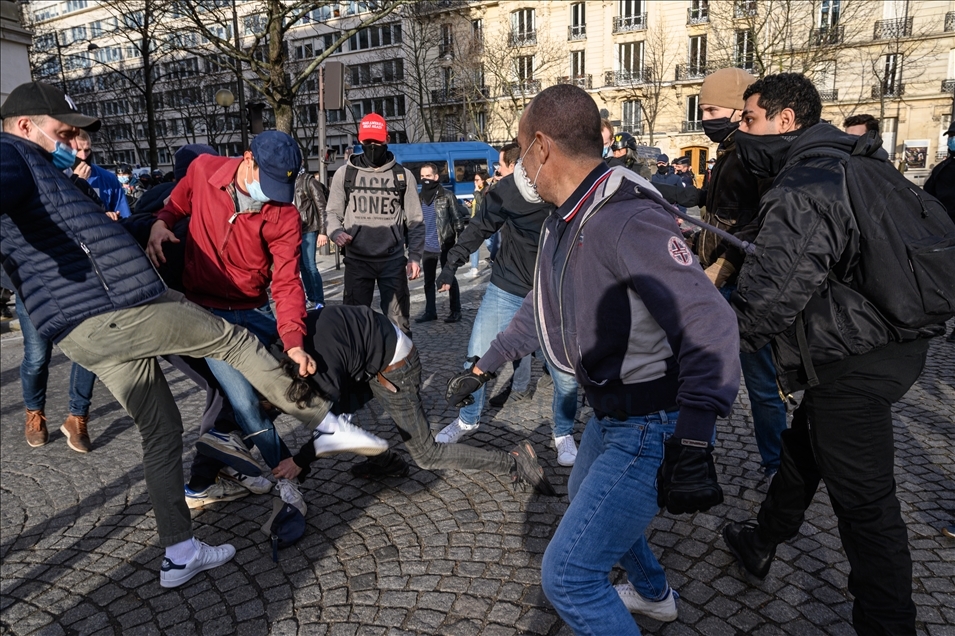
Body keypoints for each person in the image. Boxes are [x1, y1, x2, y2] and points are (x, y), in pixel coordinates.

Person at [1, 80, 344, 588]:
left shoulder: (54, 174)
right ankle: (330, 425)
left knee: (162, 430)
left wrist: (152, 225)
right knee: (233, 345)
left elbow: (286, 278)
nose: (74, 142)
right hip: (118, 310)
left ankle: (180, 551)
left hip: (98, 326)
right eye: (65, 131)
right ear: (27, 126)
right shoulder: (12, 154)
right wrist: (164, 219)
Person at [448, 84, 739, 634]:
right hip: (611, 414)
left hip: (651, 422)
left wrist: (696, 438)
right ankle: (655, 594)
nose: (517, 170)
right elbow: (543, 309)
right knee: (588, 500)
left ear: (540, 147)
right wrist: (484, 367)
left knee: (568, 576)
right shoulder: (568, 216)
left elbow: (712, 322)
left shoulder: (623, 219)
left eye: (517, 150)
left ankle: (647, 594)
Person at [722, 73, 934, 635]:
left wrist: (703, 349)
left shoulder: (807, 182)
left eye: (749, 119)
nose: (741, 131)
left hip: (853, 356)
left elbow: (768, 302)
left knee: (867, 507)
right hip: (892, 340)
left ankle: (889, 623)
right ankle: (762, 541)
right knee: (804, 447)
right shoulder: (853, 159)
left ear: (785, 121)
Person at [147, 131, 385, 515]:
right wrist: (162, 222)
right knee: (240, 400)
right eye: (268, 184)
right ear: (247, 160)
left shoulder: (284, 212)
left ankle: (217, 473)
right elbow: (176, 203)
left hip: (253, 308)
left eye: (281, 188)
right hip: (204, 313)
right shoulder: (203, 171)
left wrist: (293, 340)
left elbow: (287, 280)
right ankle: (281, 480)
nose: (271, 196)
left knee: (284, 377)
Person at [267, 304, 554, 494]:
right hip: (367, 353)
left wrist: (300, 460)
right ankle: (388, 464)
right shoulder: (274, 351)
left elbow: (334, 428)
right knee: (344, 410)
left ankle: (514, 460)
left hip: (395, 365)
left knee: (427, 455)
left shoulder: (314, 372)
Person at [434, 142, 583, 467]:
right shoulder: (506, 190)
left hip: (552, 293)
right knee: (475, 357)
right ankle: (467, 419)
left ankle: (563, 433)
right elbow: (478, 227)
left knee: (566, 373)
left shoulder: (564, 186)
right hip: (507, 287)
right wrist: (452, 263)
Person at [325, 113, 424, 336]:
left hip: (393, 261)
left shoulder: (403, 176)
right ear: (360, 140)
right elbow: (332, 212)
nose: (372, 146)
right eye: (367, 142)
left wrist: (415, 256)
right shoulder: (345, 174)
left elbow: (416, 220)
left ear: (387, 138)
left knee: (399, 324)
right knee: (353, 323)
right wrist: (336, 232)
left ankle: (400, 368)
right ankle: (358, 368)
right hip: (357, 261)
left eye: (377, 142)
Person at [416, 163, 467, 324]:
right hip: (428, 245)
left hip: (446, 243)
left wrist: (461, 243)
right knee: (428, 281)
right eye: (422, 176)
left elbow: (458, 219)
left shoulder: (447, 195)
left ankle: (455, 311)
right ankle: (430, 311)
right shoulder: (419, 197)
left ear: (436, 177)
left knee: (449, 277)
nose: (425, 179)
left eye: (428, 176)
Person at [71, 129, 131, 219]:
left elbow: (125, 216)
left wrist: (114, 217)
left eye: (87, 150)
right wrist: (75, 181)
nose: (83, 156)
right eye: (78, 150)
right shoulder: (58, 176)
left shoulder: (108, 178)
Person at [294, 167, 329, 308]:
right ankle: (311, 298)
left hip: (309, 228)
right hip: (295, 229)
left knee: (310, 266)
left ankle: (319, 300)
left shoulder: (309, 181)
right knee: (303, 266)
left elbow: (322, 207)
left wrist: (323, 232)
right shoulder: (290, 181)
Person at [468, 172, 490, 277]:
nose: (475, 182)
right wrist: (469, 205)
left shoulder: (486, 190)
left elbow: (483, 204)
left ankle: (497, 259)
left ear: (483, 180)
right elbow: (476, 207)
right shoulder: (478, 191)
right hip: (476, 222)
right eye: (474, 180)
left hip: (484, 223)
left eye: (477, 180)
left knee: (491, 245)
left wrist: (476, 193)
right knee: (474, 245)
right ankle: (474, 268)